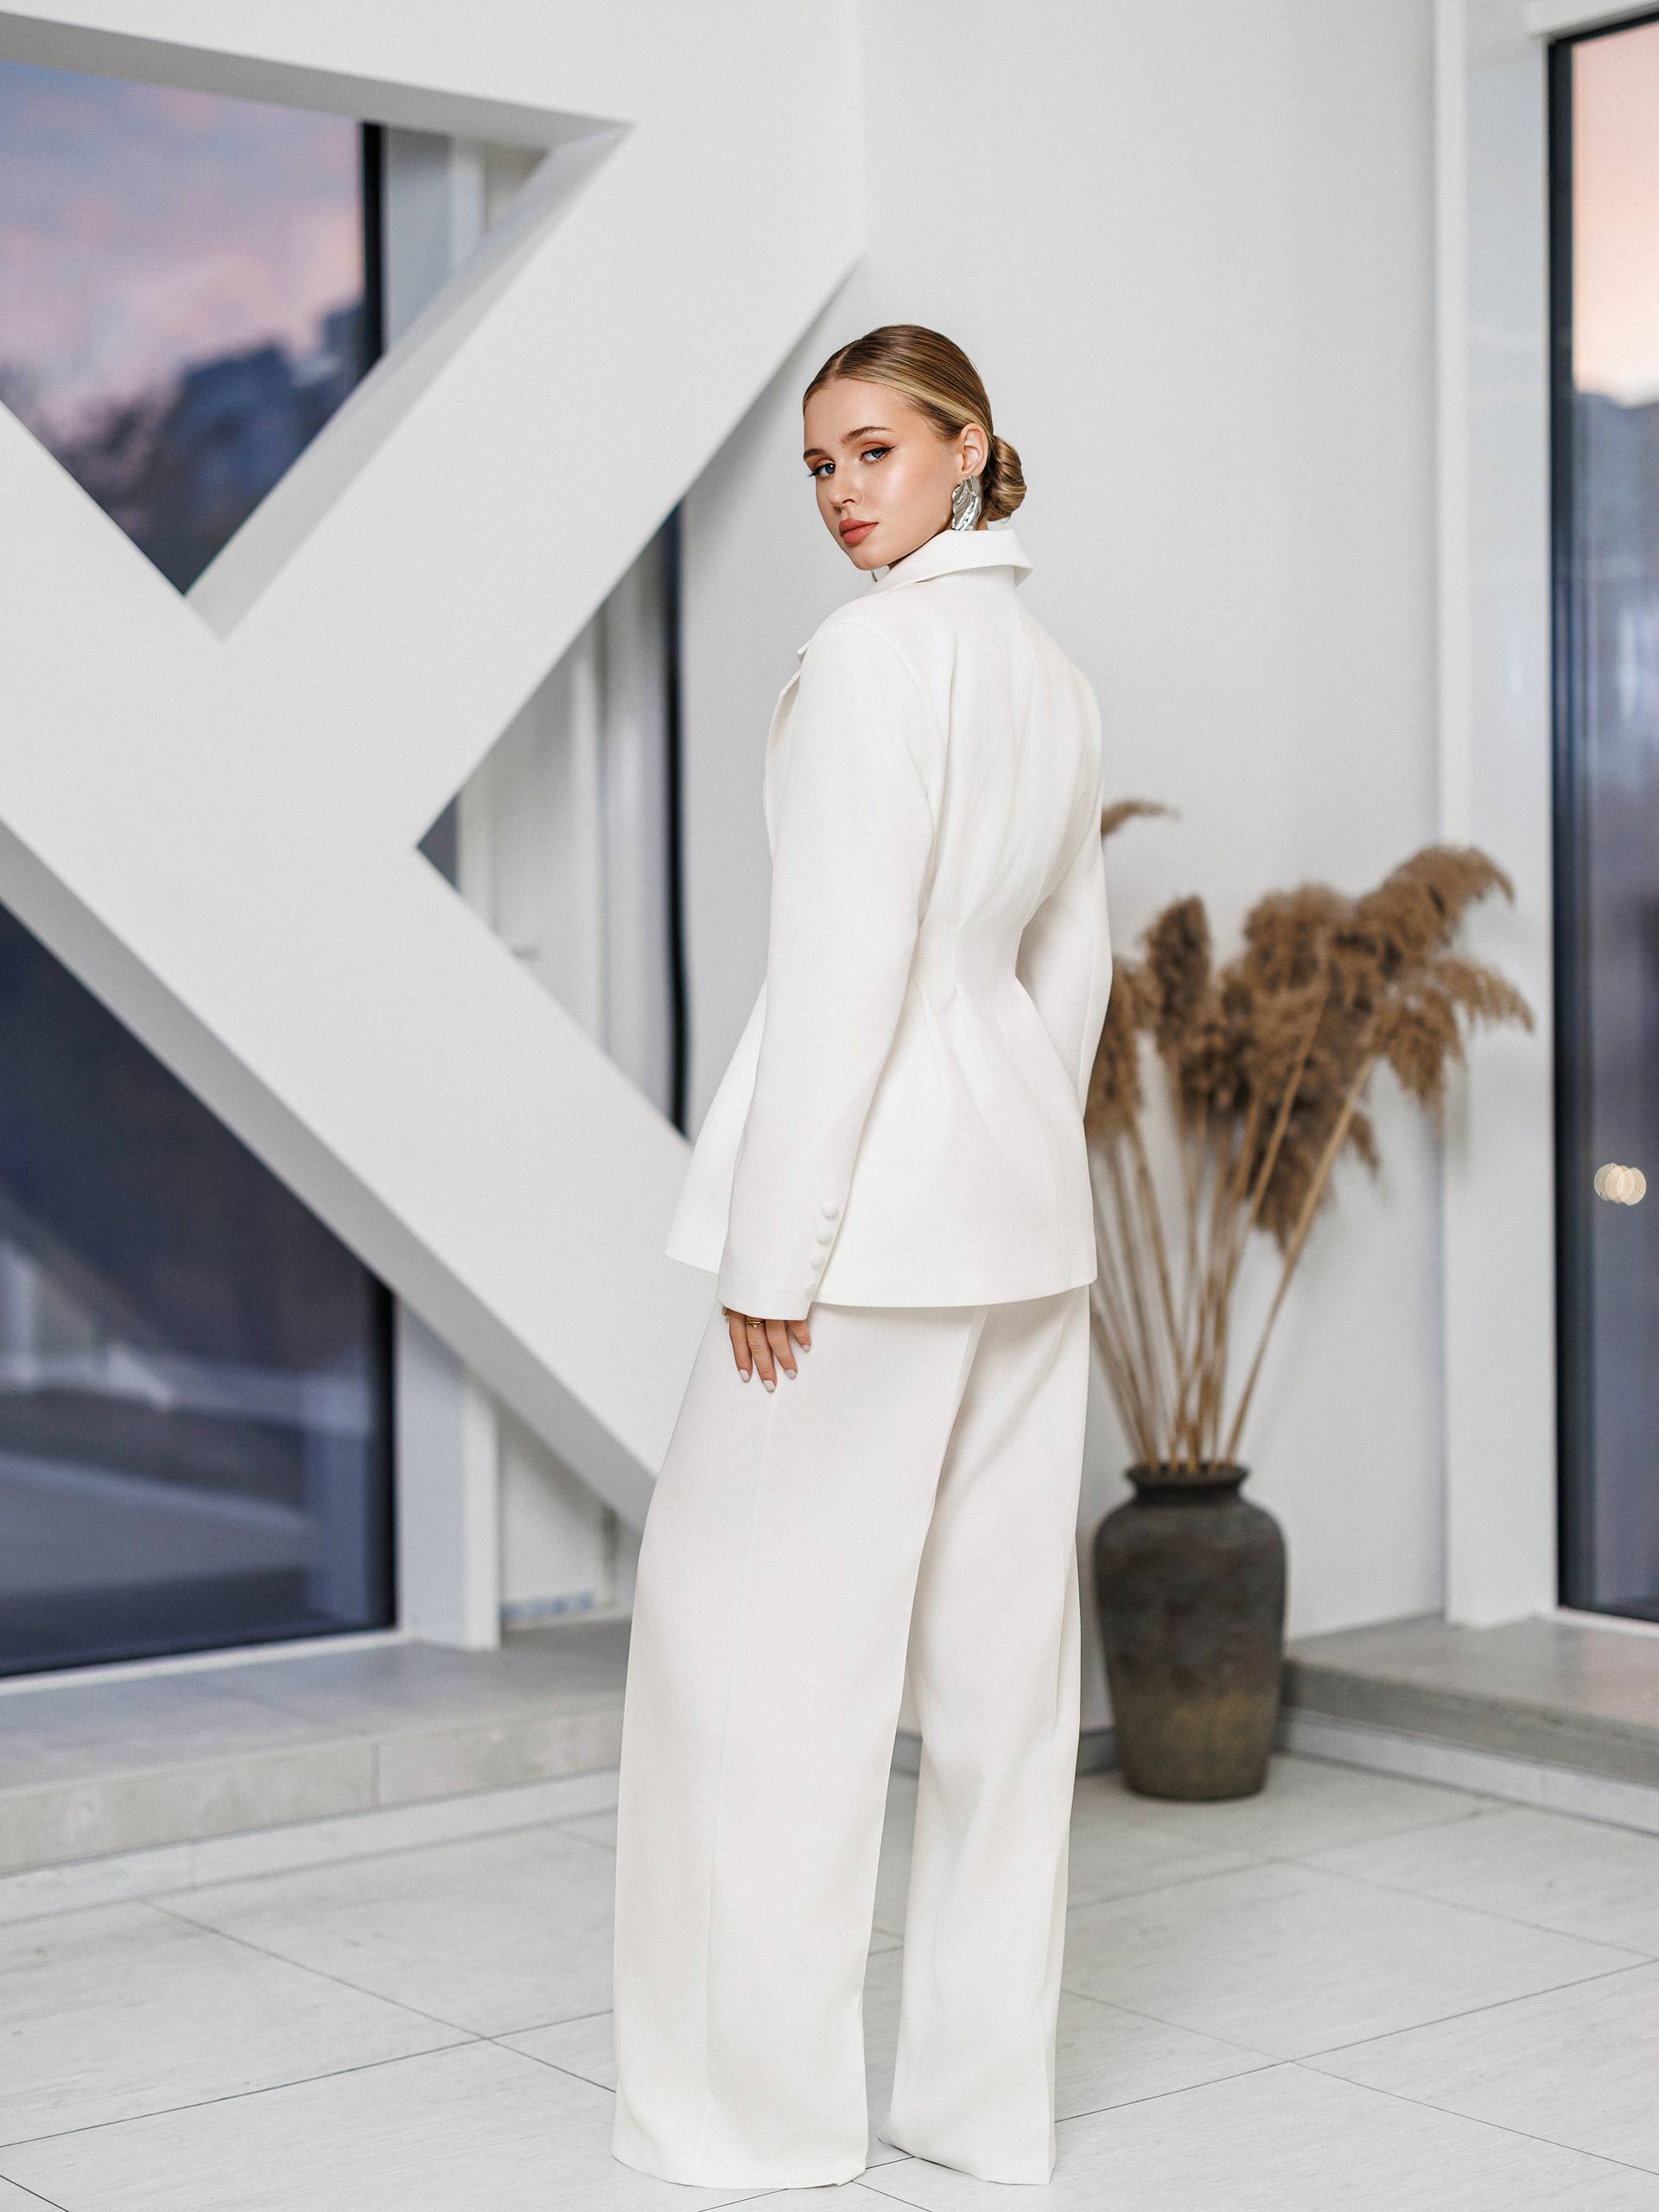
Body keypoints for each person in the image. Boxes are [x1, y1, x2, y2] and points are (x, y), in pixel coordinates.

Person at [610, 322, 1113, 2190]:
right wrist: (1006, 1139)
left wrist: (776, 1245)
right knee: (998, 1686)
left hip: (863, 1238)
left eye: (876, 451)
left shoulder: (874, 657)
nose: (840, 490)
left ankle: (757, 2121)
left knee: (750, 1664)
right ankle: (980, 2111)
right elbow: (1073, 965)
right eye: (821, 462)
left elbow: (839, 981)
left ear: (974, 449)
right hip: (1016, 1221)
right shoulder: (1050, 672)